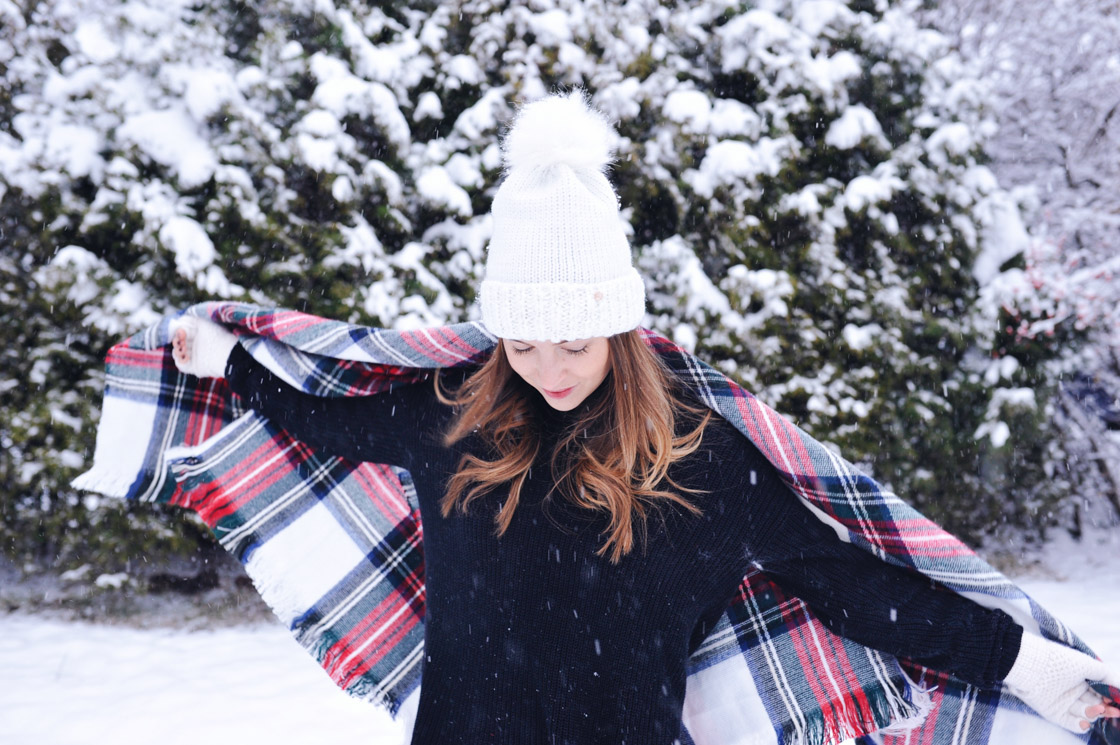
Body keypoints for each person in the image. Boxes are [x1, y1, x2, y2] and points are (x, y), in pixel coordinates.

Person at [168, 92, 1117, 744]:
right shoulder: (449, 415)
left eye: (575, 341)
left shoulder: (705, 462)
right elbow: (321, 422)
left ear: (623, 327)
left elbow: (859, 588)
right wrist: (230, 360)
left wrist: (1024, 665)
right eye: (524, 344)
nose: (548, 369)